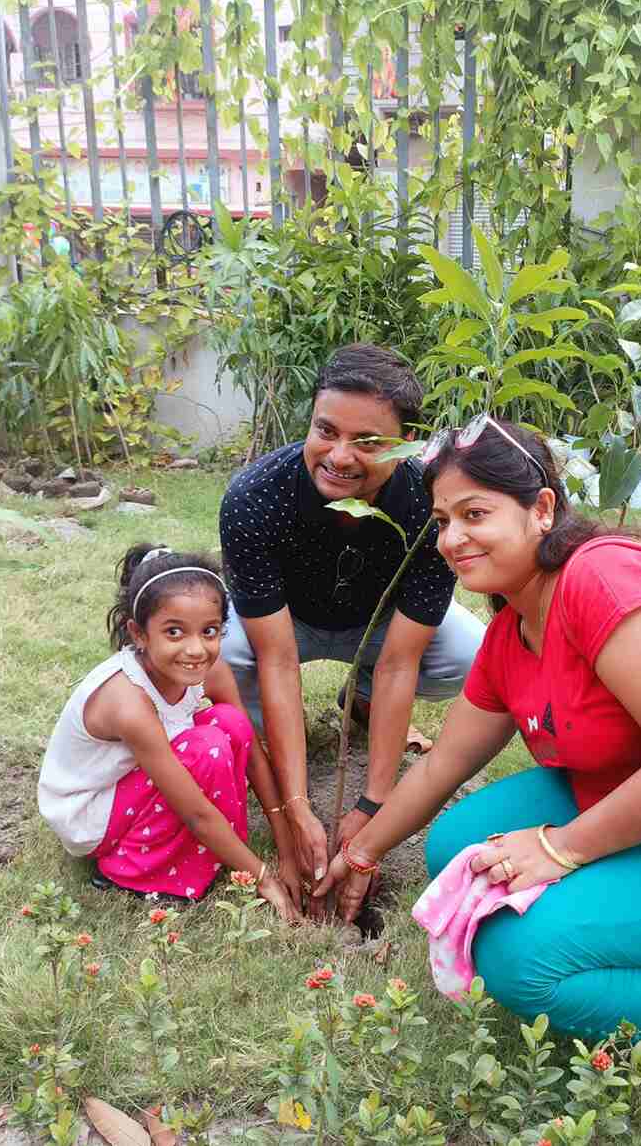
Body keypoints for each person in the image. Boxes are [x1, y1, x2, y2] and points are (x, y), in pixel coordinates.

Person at [316, 416, 641, 1124]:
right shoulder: (516, 626)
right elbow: (445, 760)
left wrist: (560, 849)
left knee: (521, 962)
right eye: (443, 520)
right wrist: (361, 851)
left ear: (542, 509)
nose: (452, 538)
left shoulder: (601, 577)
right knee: (458, 847)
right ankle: (626, 936)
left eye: (475, 513)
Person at [219, 344, 486, 907]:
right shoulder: (253, 498)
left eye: (367, 442)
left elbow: (400, 663)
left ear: (406, 444)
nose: (339, 457)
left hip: (380, 630)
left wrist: (372, 805)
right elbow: (277, 659)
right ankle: (264, 741)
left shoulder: (427, 508)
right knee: (218, 656)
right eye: (326, 431)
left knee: (468, 651)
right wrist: (296, 806)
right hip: (285, 627)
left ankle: (358, 698)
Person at [39, 544, 301, 920]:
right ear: (139, 634)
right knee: (206, 748)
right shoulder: (128, 701)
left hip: (131, 781)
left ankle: (217, 850)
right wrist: (263, 877)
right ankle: (125, 870)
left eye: (209, 631)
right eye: (174, 632)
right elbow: (196, 813)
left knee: (230, 722)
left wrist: (287, 844)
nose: (196, 649)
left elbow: (251, 752)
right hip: (91, 813)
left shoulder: (211, 669)